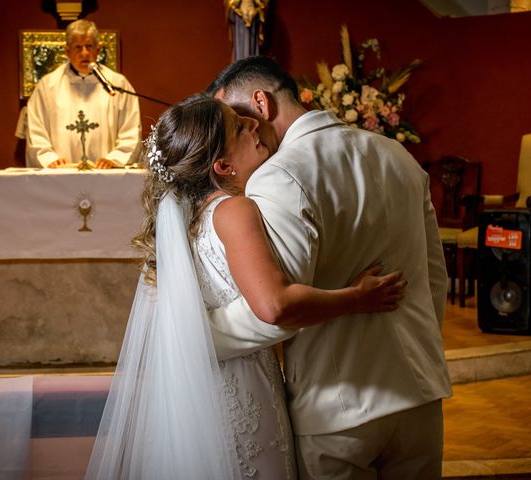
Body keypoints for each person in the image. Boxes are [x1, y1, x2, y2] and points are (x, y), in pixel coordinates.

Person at [85, 94, 406, 479]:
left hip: (201, 394)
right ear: (222, 166)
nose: (254, 125)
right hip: (242, 393)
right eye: (239, 126)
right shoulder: (235, 210)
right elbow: (274, 306)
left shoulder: (190, 222)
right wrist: (356, 298)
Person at [205, 56, 453, 479]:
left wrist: (197, 334)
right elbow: (434, 280)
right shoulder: (398, 156)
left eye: (237, 120)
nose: (236, 134)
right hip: (419, 392)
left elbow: (279, 310)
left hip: (338, 404)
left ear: (261, 103)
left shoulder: (280, 175)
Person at [26, 19, 141, 169]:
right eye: (78, 47)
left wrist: (115, 159)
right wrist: (50, 159)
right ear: (67, 51)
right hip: (61, 173)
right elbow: (36, 129)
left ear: (98, 49)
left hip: (106, 173)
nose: (84, 53)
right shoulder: (47, 86)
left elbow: (130, 128)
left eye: (89, 46)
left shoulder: (117, 84)